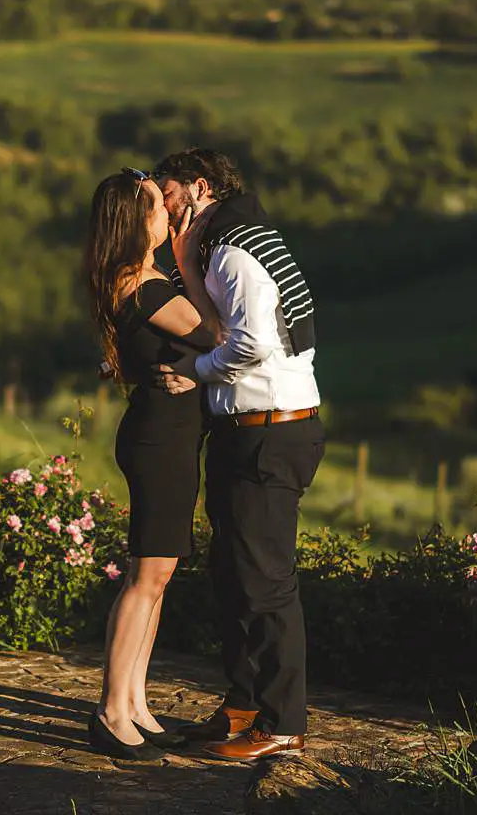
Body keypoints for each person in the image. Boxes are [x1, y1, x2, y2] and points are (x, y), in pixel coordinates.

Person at [150, 148, 325, 762]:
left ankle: (282, 724)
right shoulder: (218, 245)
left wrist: (195, 371)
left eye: (167, 190)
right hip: (248, 429)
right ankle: (244, 705)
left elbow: (252, 341)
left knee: (265, 582)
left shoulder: (233, 249)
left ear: (199, 187)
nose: (160, 201)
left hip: (270, 431)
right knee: (234, 575)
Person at [81, 166, 221, 760]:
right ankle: (112, 711)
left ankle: (135, 703)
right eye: (157, 207)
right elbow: (216, 331)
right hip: (159, 440)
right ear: (137, 222)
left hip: (168, 436)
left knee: (157, 576)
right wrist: (188, 255)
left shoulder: (144, 277)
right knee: (146, 577)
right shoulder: (142, 284)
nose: (168, 212)